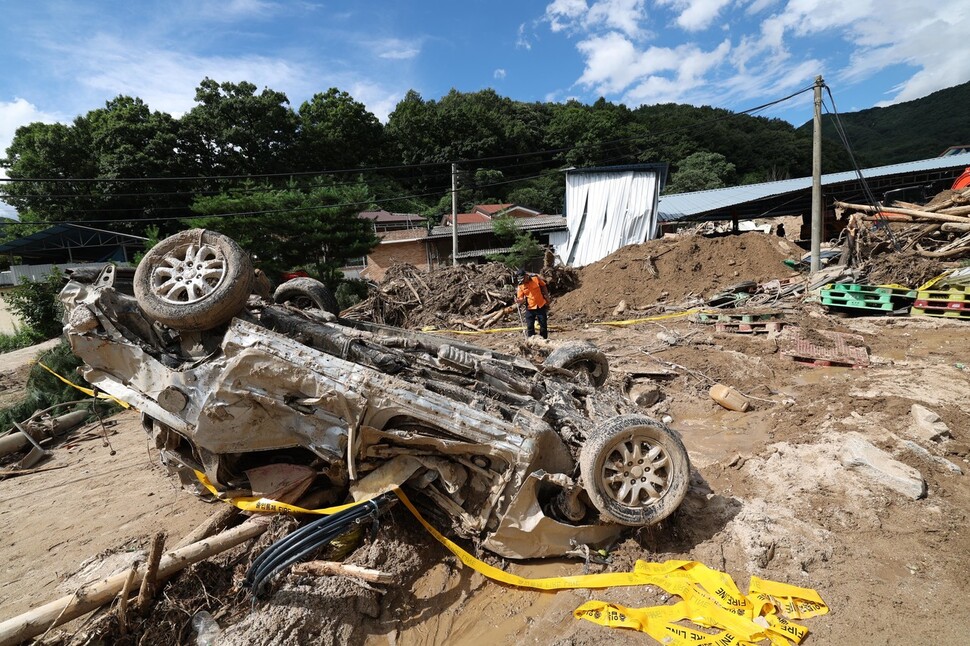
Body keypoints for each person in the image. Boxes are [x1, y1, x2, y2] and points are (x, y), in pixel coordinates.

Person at [515, 268, 551, 339]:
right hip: (530, 307)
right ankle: (531, 340)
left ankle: (544, 340)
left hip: (540, 305)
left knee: (543, 325)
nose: (522, 281)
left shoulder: (535, 278)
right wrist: (518, 301)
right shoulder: (520, 285)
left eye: (523, 279)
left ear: (526, 276)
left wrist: (546, 296)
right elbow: (521, 298)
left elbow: (543, 285)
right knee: (530, 326)